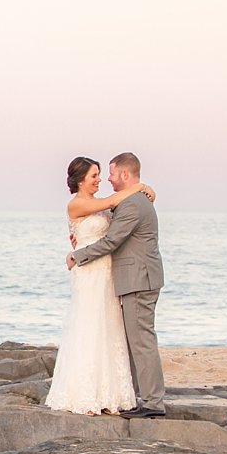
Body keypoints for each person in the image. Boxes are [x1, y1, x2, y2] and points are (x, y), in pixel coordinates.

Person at [44, 156, 154, 415]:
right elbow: (114, 202)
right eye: (94, 175)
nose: (99, 180)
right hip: (88, 271)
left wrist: (145, 189)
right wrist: (140, 186)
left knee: (109, 326)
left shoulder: (99, 203)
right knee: (89, 325)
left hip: (107, 270)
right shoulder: (77, 204)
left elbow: (117, 214)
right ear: (81, 179)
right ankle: (85, 395)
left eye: (100, 175)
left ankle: (109, 394)